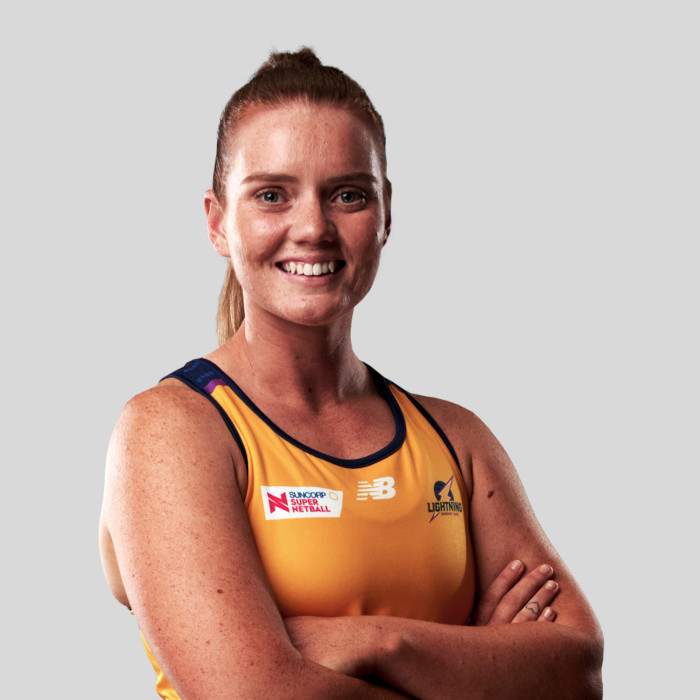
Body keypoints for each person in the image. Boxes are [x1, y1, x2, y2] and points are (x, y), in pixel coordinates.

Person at [99, 48, 603, 699]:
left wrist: (380, 643)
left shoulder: (457, 439)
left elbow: (579, 671)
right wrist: (482, 666)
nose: (313, 227)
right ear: (218, 222)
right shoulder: (172, 431)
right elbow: (256, 697)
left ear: (386, 215)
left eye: (348, 195)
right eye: (272, 195)